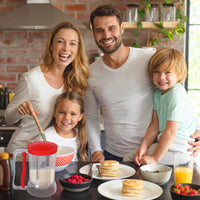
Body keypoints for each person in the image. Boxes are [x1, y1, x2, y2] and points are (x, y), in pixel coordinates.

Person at [84, 4, 200, 163]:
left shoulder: (148, 57)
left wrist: (198, 129)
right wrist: (96, 150)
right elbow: (91, 117)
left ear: (122, 28)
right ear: (93, 33)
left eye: (112, 28)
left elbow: (177, 94)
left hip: (155, 152)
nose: (106, 35)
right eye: (99, 30)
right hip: (113, 155)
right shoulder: (91, 73)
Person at [5, 22, 89, 154]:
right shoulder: (32, 79)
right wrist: (19, 110)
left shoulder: (75, 80)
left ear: (78, 48)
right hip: (23, 155)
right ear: (51, 45)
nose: (66, 48)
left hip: (49, 155)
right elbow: (9, 118)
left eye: (72, 43)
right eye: (60, 42)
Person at [124, 48, 198, 165]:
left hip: (180, 148)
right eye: (157, 72)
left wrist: (155, 158)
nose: (161, 77)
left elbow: (170, 132)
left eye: (168, 72)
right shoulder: (158, 93)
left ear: (179, 73)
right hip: (166, 144)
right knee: (131, 157)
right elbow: (155, 125)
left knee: (135, 160)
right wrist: (144, 146)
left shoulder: (176, 94)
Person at [44, 91, 88, 161]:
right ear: (55, 113)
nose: (67, 118)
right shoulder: (45, 137)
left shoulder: (79, 135)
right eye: (62, 112)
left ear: (80, 117)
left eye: (73, 114)